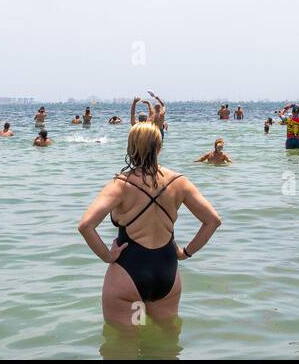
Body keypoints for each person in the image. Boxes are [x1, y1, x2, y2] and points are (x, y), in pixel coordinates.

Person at [77, 121, 221, 329]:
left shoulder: (121, 185)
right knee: (165, 345)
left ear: (130, 148)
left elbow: (86, 226)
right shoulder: (179, 182)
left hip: (128, 275)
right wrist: (186, 252)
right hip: (166, 275)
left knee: (125, 345)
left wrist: (107, 256)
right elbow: (213, 221)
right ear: (159, 147)